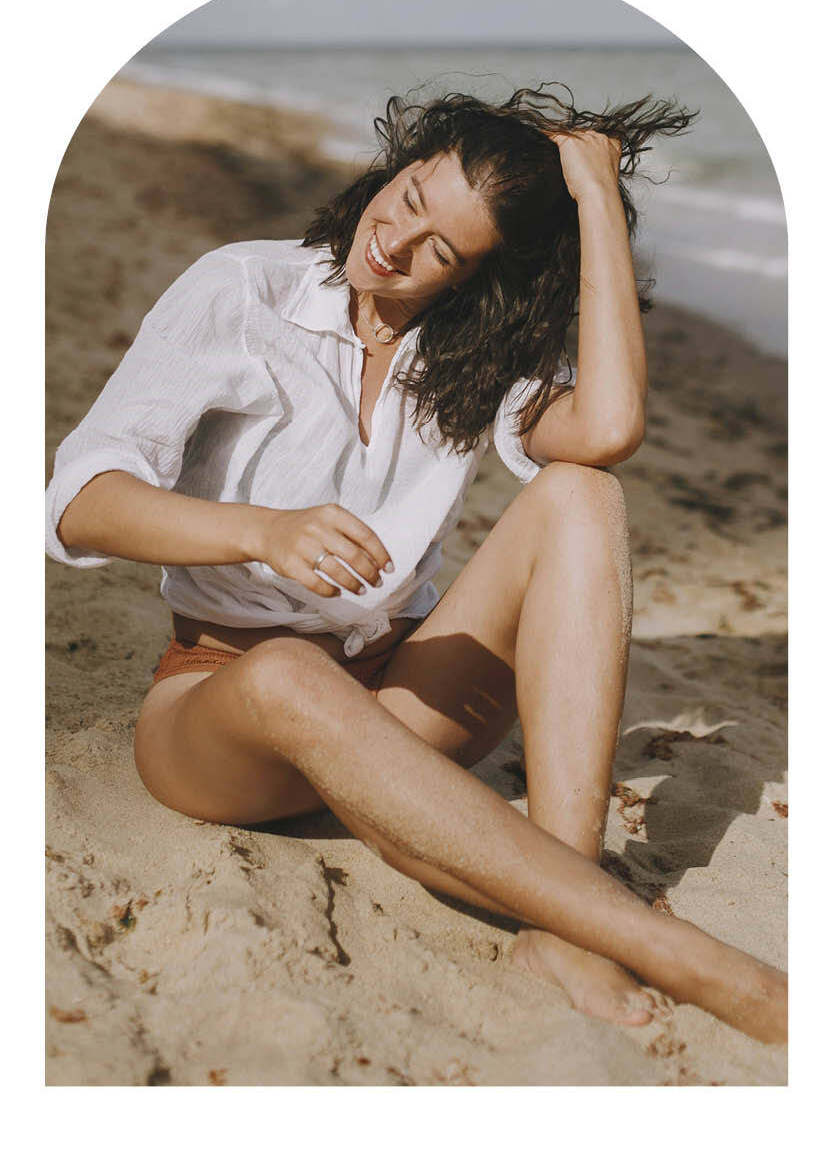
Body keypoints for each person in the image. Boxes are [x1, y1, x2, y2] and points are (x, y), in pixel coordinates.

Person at [45, 86, 787, 1042]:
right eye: (406, 194)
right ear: (393, 163)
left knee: (580, 494)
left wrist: (597, 200)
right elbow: (77, 502)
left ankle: (566, 924)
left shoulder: (469, 349)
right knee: (287, 672)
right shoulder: (243, 291)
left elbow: (606, 429)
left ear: (477, 276)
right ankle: (689, 958)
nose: (391, 241)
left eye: (439, 248)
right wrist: (258, 530)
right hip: (227, 711)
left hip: (405, 701)